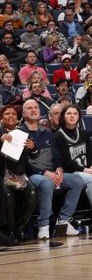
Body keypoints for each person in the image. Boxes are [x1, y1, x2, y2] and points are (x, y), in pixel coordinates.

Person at [20, 98, 86, 240]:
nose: (33, 110)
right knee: (46, 183)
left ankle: (63, 220)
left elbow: (56, 155)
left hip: (51, 172)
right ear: (23, 113)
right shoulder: (20, 133)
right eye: (29, 108)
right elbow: (24, 164)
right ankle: (43, 225)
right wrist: (44, 172)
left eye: (36, 107)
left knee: (77, 180)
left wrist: (58, 168)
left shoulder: (48, 132)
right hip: (32, 174)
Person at [52, 104, 92, 233]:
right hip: (71, 172)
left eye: (75, 114)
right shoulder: (59, 135)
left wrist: (91, 166)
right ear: (63, 117)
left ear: (79, 117)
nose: (72, 116)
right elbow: (64, 161)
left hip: (86, 169)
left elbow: (89, 155)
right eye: (68, 113)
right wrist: (84, 170)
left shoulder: (84, 133)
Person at [0, 104, 37, 245]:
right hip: (2, 174)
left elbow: (33, 155)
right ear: (2, 118)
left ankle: (19, 227)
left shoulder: (22, 133)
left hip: (19, 174)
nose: (10, 116)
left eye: (13, 114)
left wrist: (33, 148)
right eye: (7, 114)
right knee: (7, 195)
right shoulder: (0, 132)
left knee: (32, 193)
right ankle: (9, 230)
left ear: (18, 117)